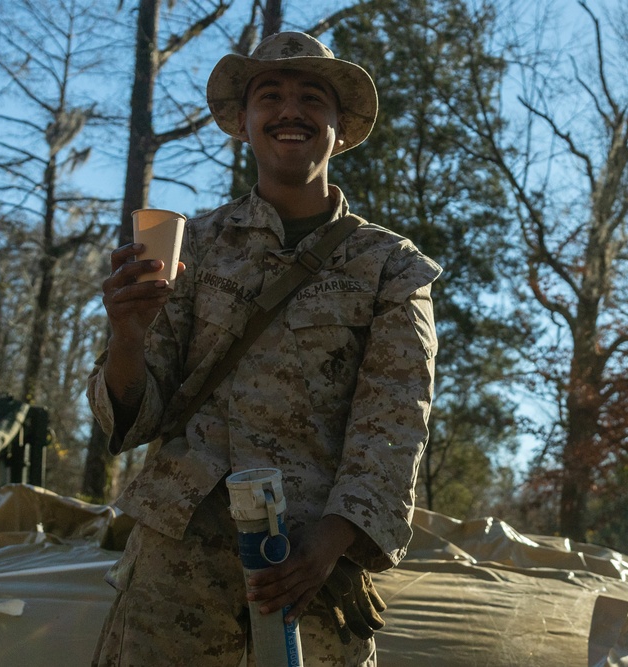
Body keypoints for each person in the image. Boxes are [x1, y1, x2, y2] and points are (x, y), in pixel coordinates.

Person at [87, 31, 442, 666]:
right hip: (179, 555)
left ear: (338, 126)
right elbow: (133, 416)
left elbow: (396, 418)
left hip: (311, 561)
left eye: (312, 97)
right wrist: (126, 335)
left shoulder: (390, 266)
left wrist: (334, 540)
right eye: (269, 95)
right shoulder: (191, 247)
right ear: (245, 124)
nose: (290, 110)